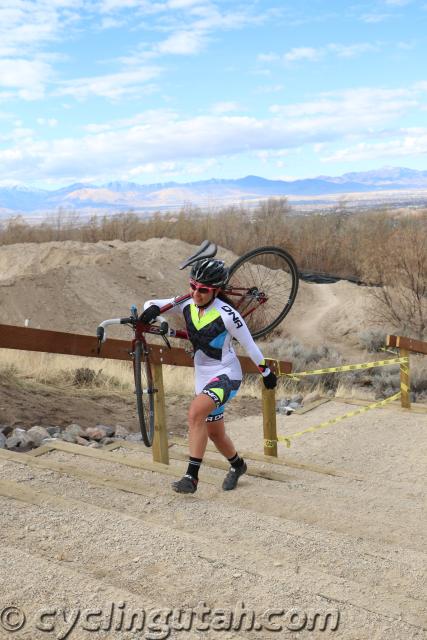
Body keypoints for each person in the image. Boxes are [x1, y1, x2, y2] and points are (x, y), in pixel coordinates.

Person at [140, 258, 277, 494]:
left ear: (216, 291)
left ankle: (191, 477)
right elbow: (151, 303)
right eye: (193, 286)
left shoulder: (227, 314)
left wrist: (265, 371)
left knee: (195, 413)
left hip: (227, 374)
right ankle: (238, 465)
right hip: (202, 376)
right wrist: (151, 312)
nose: (196, 293)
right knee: (215, 433)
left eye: (203, 290)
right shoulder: (186, 302)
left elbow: (250, 345)